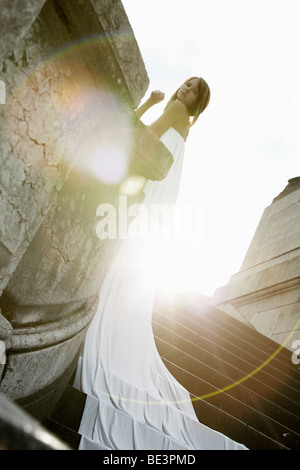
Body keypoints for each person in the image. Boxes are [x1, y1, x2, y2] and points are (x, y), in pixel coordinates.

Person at [74, 77, 247, 450]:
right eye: (185, 84)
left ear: (196, 103)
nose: (185, 90)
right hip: (157, 201)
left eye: (193, 90)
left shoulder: (175, 111)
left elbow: (140, 136)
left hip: (144, 192)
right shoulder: (187, 128)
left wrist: (149, 103)